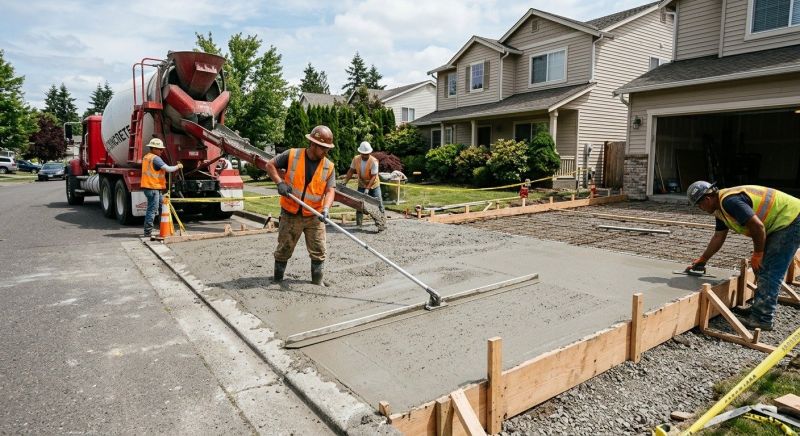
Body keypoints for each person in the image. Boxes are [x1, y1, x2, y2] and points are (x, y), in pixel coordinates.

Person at [686, 181, 800, 331]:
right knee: (763, 268)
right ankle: (758, 308)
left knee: (770, 271)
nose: (700, 209)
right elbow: (718, 237)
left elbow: (757, 227)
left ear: (707, 199)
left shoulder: (729, 202)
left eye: (699, 205)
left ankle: (762, 319)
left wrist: (758, 254)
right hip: (780, 222)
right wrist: (703, 259)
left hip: (791, 220)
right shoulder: (719, 209)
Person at [266, 125, 336, 285]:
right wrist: (279, 183)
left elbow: (331, 190)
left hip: (315, 215)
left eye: (328, 148)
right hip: (291, 213)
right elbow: (270, 165)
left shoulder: (329, 166)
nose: (326, 152)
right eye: (323, 148)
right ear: (313, 144)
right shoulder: (292, 155)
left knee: (319, 250)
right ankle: (277, 280)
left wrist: (326, 208)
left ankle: (317, 282)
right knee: (284, 248)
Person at [141, 138, 183, 238]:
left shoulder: (147, 157)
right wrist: (178, 166)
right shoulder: (155, 158)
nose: (162, 151)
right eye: (160, 149)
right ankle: (147, 233)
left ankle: (163, 228)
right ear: (154, 148)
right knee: (152, 210)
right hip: (153, 188)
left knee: (162, 206)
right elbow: (168, 169)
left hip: (151, 187)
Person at [342, 141, 384, 226]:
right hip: (362, 184)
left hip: (374, 185)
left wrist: (367, 189)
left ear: (370, 152)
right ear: (360, 152)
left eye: (367, 154)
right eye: (364, 154)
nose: (365, 155)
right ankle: (359, 224)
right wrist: (345, 181)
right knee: (359, 204)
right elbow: (351, 171)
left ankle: (382, 222)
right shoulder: (356, 159)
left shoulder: (374, 161)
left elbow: (373, 176)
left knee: (378, 202)